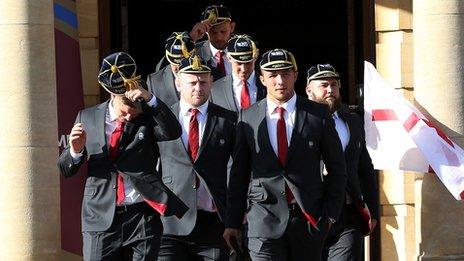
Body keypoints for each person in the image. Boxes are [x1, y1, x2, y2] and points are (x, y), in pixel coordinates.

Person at [58, 52, 188, 260]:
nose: (129, 116)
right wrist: (75, 150)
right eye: (125, 111)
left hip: (141, 216)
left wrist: (151, 99)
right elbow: (66, 169)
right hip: (100, 215)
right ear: (112, 96)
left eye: (133, 112)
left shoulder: (147, 115)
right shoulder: (87, 117)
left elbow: (173, 131)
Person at [223, 49, 348, 261]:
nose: (280, 80)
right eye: (272, 75)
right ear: (262, 79)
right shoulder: (248, 117)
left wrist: (330, 215)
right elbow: (239, 174)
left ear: (295, 75)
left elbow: (337, 167)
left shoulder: (317, 114)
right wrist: (233, 222)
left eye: (286, 74)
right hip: (263, 221)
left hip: (308, 220)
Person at [156, 55, 236, 261]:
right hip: (171, 221)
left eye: (203, 81)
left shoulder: (229, 120)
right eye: (192, 82)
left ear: (211, 83)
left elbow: (239, 169)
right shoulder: (162, 119)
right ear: (178, 83)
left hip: (213, 221)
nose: (198, 87)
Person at [305, 64, 379, 261]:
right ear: (309, 89)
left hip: (348, 212)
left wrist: (373, 209)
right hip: (312, 214)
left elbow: (364, 167)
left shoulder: (352, 119)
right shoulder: (298, 120)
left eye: (334, 85)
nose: (330, 90)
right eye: (324, 85)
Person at [211, 34, 266, 113]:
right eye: (239, 63)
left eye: (248, 63)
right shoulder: (214, 89)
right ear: (229, 58)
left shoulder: (268, 85)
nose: (243, 69)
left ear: (255, 57)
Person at [147, 31, 196, 106]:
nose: (179, 67)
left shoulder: (207, 75)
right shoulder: (154, 82)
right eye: (175, 62)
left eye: (184, 62)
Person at [190, 5, 236, 81]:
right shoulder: (194, 51)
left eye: (223, 31)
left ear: (232, 27)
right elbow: (172, 65)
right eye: (213, 33)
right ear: (206, 31)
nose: (219, 37)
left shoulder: (244, 49)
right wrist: (191, 39)